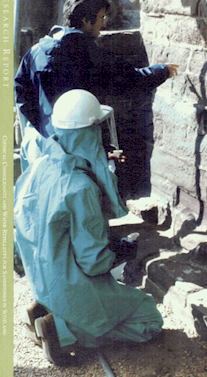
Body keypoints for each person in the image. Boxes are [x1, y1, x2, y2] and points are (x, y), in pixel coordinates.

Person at [14, 90, 164, 365]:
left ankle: (46, 309)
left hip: (42, 277)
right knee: (148, 318)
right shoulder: (80, 187)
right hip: (71, 283)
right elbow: (94, 263)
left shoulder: (38, 167)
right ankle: (61, 330)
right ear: (90, 131)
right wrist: (121, 250)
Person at [14, 0, 178, 148]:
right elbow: (132, 81)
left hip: (43, 145)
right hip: (79, 148)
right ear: (86, 20)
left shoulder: (35, 52)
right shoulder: (90, 55)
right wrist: (163, 71)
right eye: (102, 17)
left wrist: (43, 128)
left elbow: (21, 93)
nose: (104, 23)